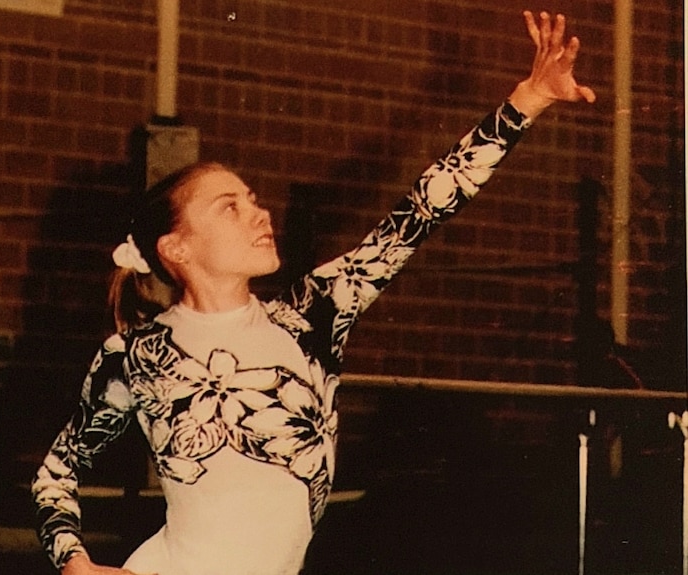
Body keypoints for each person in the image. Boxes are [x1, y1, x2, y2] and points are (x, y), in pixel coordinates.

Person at [31, 10, 596, 575]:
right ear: (176, 248)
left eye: (253, 199)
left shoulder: (313, 314)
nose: (259, 213)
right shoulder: (134, 356)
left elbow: (419, 213)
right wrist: (76, 565)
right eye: (231, 207)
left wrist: (526, 103)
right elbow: (55, 474)